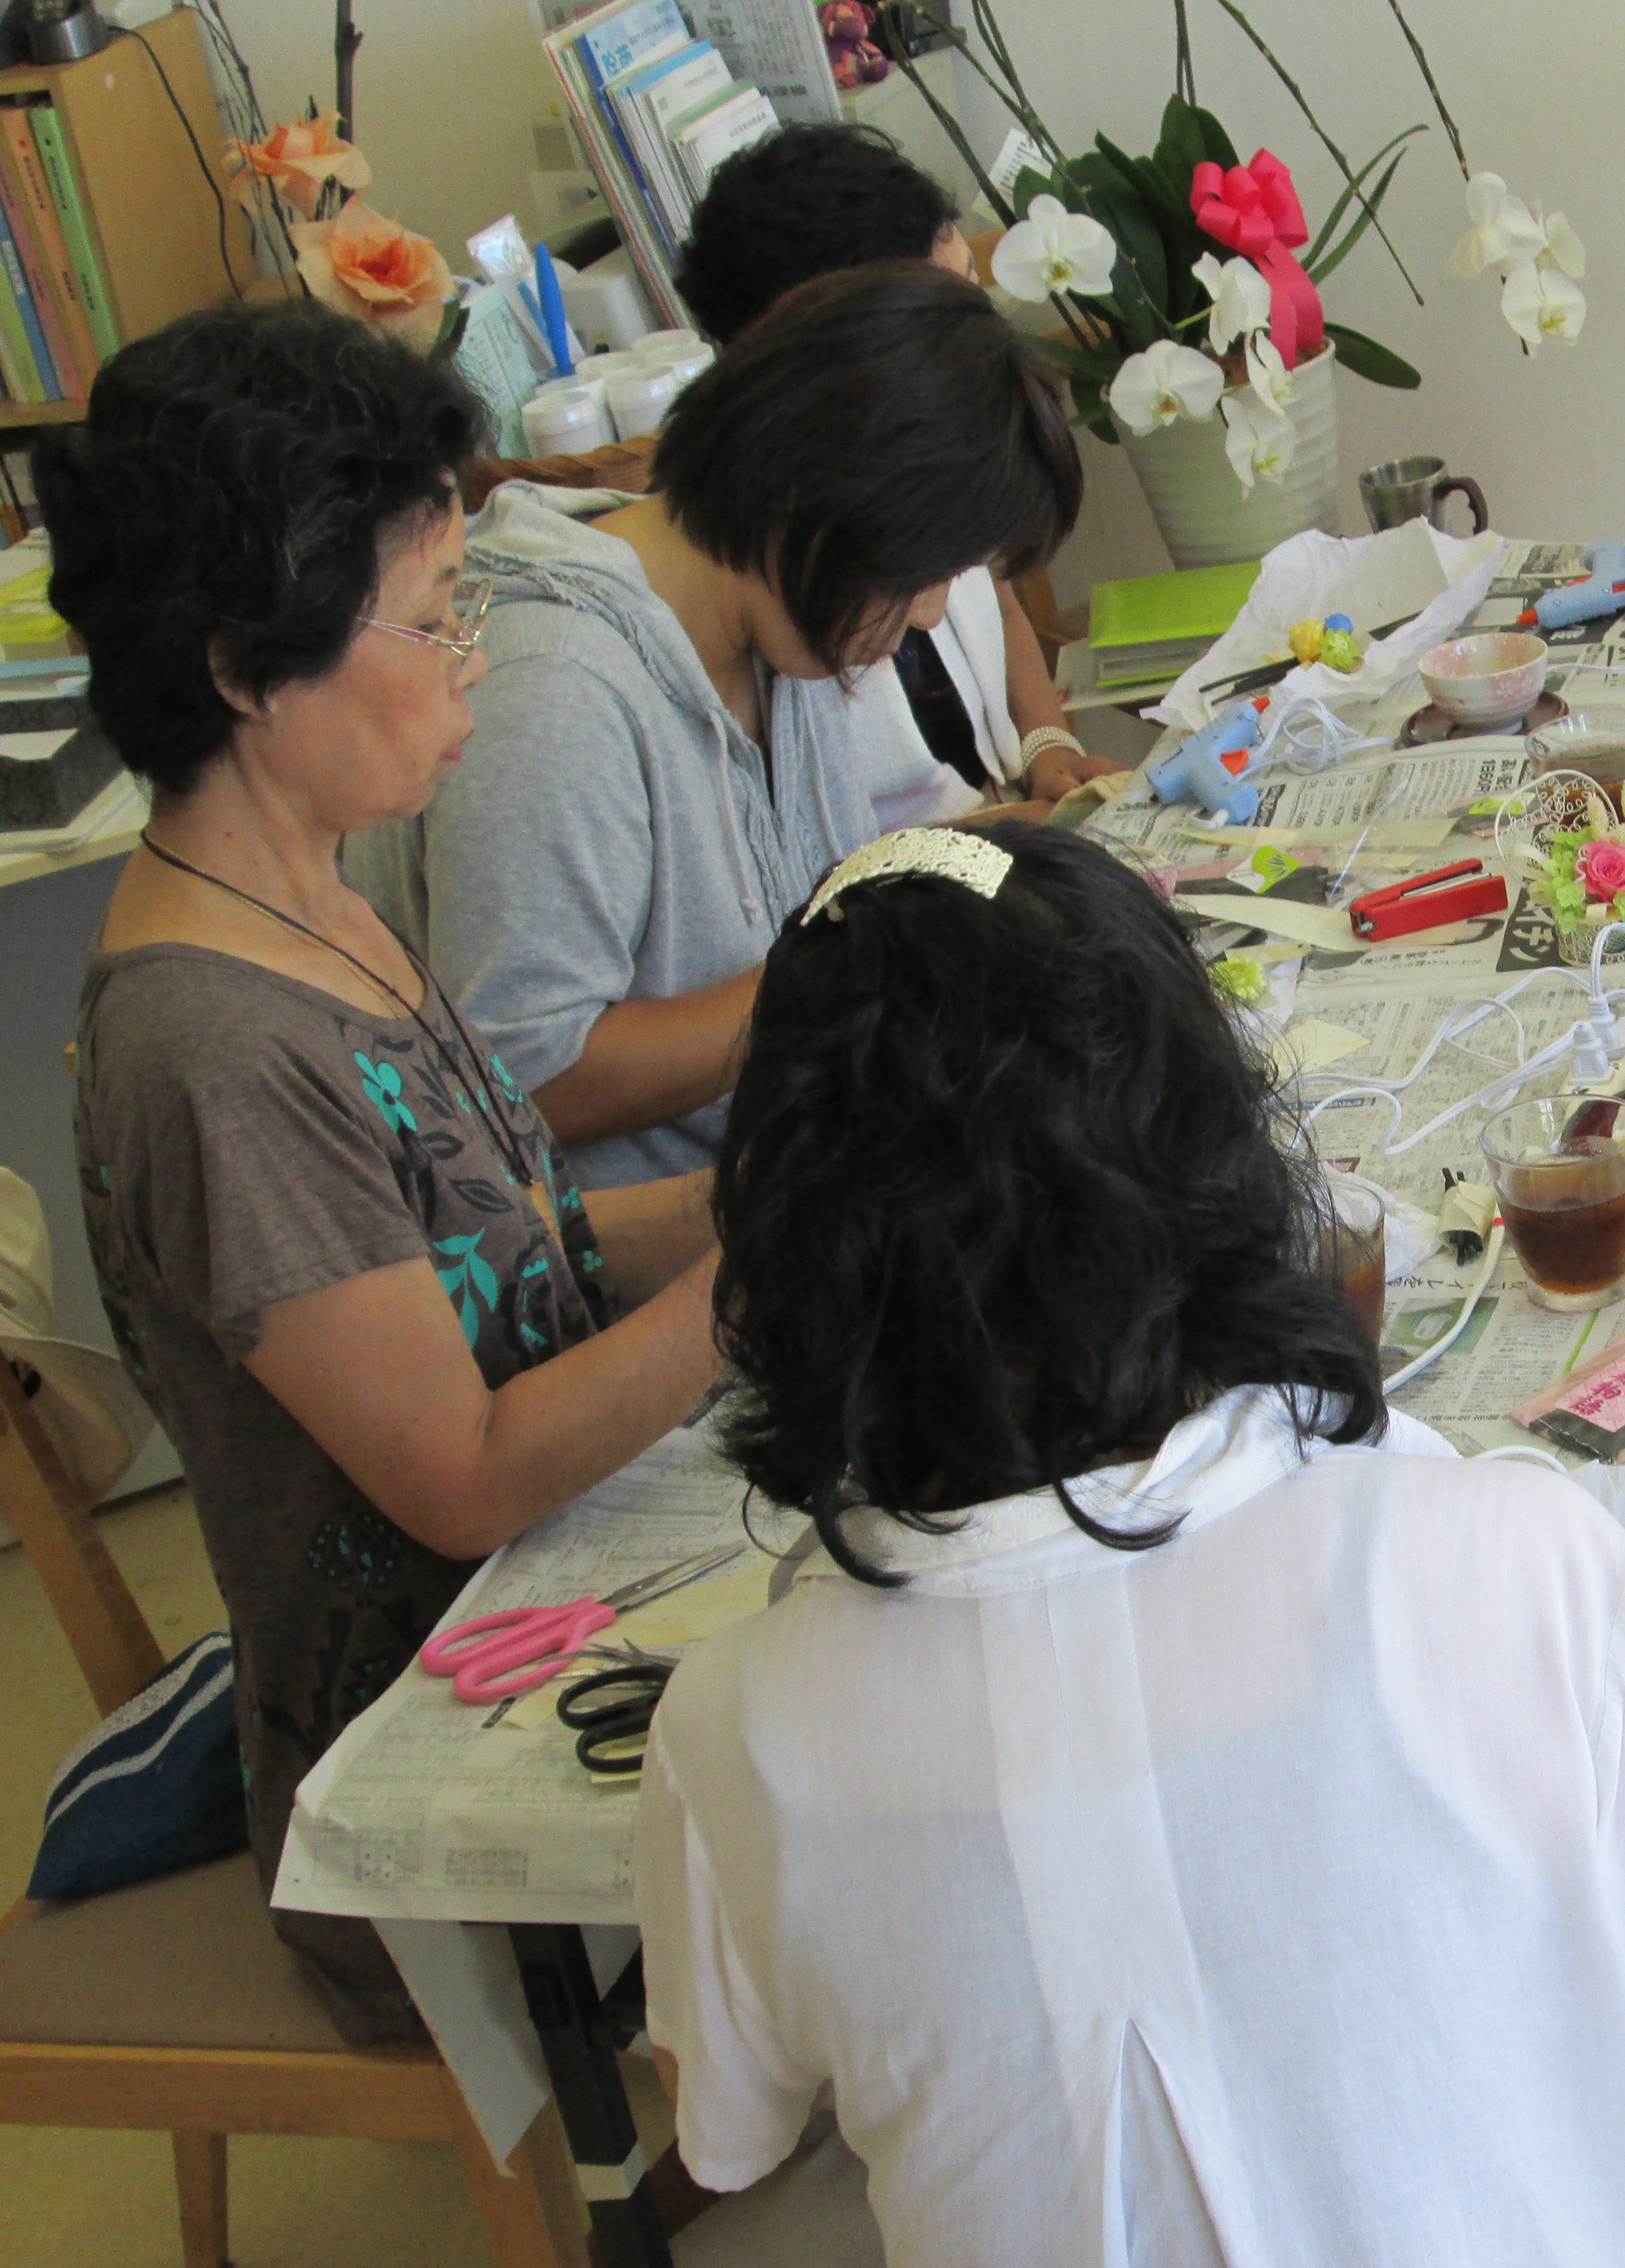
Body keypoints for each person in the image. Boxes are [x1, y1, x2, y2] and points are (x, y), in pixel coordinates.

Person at [631, 819, 1625, 2267]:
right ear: (1209, 1153)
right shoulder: (1505, 1565)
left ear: (781, 1241)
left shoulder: (730, 1727)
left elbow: (725, 2126)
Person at [39, 303, 724, 2038]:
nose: (470, 661)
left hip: (563, 1602)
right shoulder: (213, 1051)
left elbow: (492, 1256)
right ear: (242, 664)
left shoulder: (320, 897)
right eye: (432, 617)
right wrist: (764, 1280)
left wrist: (752, 1200)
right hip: (443, 1789)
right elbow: (464, 1477)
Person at [345, 262, 1084, 1188]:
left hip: (805, 1171)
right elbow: (525, 1079)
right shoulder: (555, 687)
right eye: (923, 572)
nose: (931, 613)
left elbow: (826, 892)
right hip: (664, 1239)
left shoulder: (780, 622)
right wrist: (856, 970)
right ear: (818, 503)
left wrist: (1030, 843)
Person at [675, 122, 1115, 831]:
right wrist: (1007, 831)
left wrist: (1046, 746)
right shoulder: (772, 602)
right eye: (950, 310)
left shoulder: (922, 463)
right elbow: (832, 865)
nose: (979, 336)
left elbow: (1002, 603)